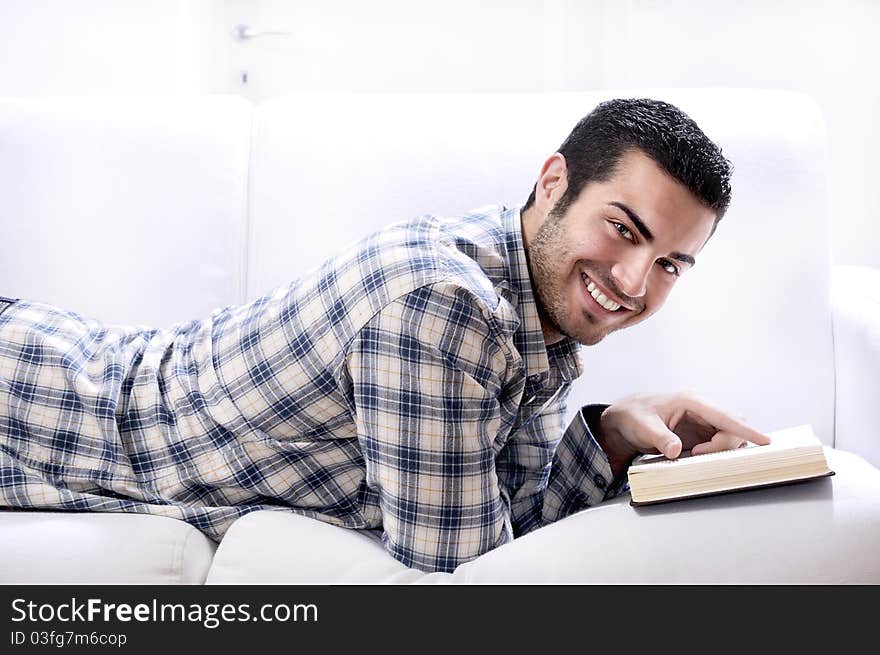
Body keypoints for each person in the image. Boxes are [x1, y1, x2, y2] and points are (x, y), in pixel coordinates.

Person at [0, 98, 769, 574]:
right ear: (553, 181)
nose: (635, 282)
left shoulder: (539, 312)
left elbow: (503, 523)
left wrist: (608, 434)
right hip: (34, 401)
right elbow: (469, 575)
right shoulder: (445, 305)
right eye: (623, 229)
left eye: (670, 262)